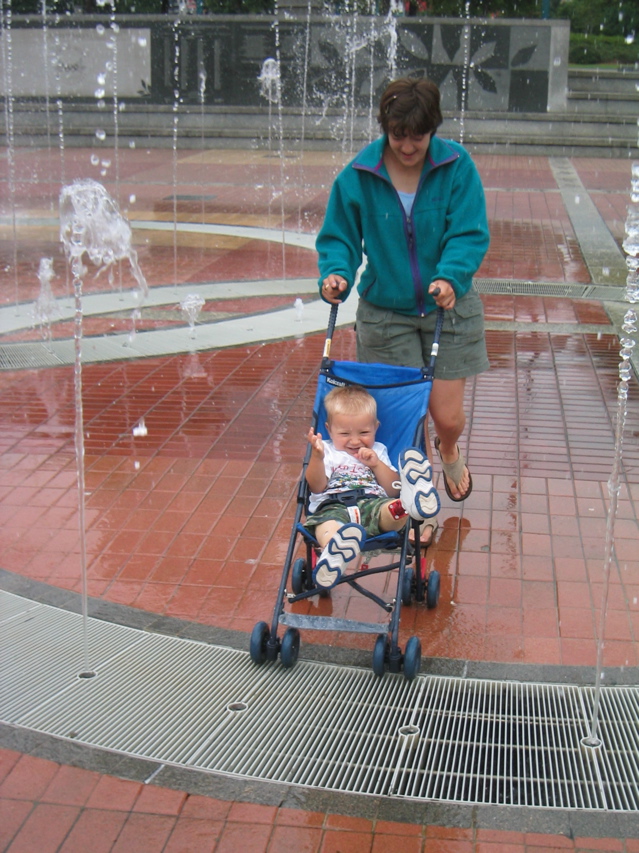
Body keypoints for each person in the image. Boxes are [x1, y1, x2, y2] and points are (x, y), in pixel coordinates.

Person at [316, 76, 490, 546]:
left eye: (418, 135)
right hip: (385, 311)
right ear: (385, 129)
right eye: (399, 135)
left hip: (445, 306)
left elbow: (470, 232)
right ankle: (420, 503)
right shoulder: (359, 175)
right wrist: (335, 272)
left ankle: (449, 448)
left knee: (445, 416)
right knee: (405, 420)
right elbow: (340, 237)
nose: (408, 145)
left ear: (432, 129)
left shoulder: (456, 166)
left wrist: (451, 276)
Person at [304, 384, 439, 589]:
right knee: (327, 526)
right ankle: (335, 550)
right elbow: (316, 487)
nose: (355, 440)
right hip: (334, 506)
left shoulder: (378, 450)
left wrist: (376, 464)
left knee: (392, 509)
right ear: (329, 429)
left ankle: (409, 502)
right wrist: (316, 457)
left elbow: (392, 487)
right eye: (344, 433)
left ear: (376, 427)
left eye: (364, 432)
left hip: (373, 503)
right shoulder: (327, 452)